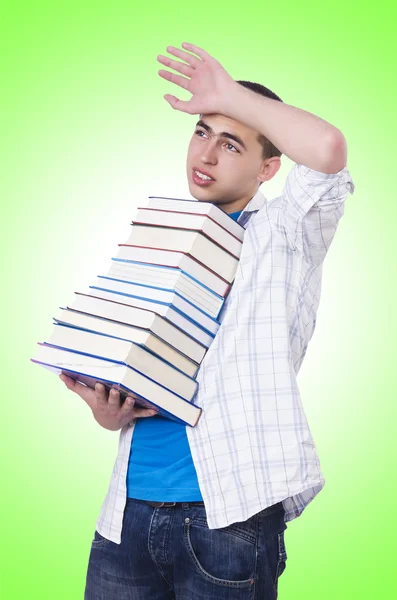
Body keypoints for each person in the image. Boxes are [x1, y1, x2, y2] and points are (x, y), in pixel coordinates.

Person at [60, 42, 355, 599]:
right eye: (202, 132)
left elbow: (327, 147)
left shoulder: (284, 234)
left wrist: (230, 95)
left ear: (269, 168)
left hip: (228, 515)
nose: (208, 154)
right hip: (127, 514)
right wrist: (109, 410)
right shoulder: (165, 243)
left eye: (231, 142)